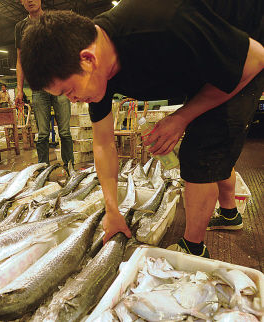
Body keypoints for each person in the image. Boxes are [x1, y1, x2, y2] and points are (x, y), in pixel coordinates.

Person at [20, 3, 264, 258]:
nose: (72, 100)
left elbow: (255, 58)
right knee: (212, 147)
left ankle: (193, 249)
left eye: (69, 91)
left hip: (245, 54)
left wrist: (180, 118)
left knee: (201, 154)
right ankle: (230, 214)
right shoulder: (96, 70)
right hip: (202, 58)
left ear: (88, 59)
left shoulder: (161, 23)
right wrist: (112, 211)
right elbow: (103, 143)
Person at [15, 0, 74, 167]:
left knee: (65, 132)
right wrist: (19, 89)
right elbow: (20, 61)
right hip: (38, 88)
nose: (30, 0)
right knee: (42, 134)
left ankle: (70, 169)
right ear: (21, 2)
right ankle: (42, 171)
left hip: (60, 85)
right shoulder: (20, 27)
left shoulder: (53, 21)